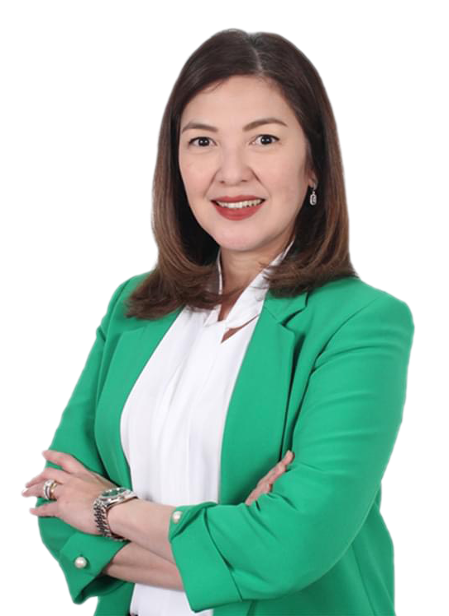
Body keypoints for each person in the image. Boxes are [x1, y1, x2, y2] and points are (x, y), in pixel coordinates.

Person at [20, 29, 415, 616]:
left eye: (264, 139)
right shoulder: (133, 305)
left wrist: (109, 511)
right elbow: (56, 502)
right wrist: (239, 545)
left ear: (314, 164)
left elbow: (290, 547)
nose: (231, 173)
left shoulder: (362, 324)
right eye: (203, 141)